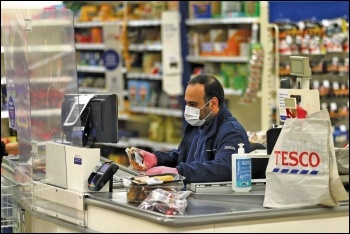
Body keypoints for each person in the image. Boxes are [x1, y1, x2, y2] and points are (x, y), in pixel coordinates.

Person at [136, 74, 250, 184]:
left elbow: (224, 168)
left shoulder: (232, 132)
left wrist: (179, 172)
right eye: (186, 103)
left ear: (213, 104)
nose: (188, 109)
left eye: (193, 104)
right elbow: (182, 156)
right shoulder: (197, 126)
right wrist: (157, 159)